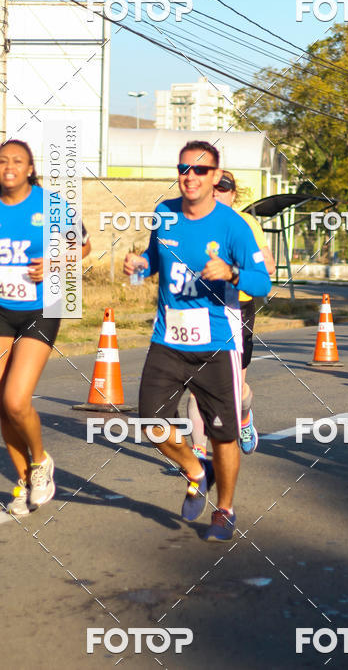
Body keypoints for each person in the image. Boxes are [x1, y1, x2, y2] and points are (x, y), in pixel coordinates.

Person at [124, 141, 271, 542]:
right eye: (184, 168)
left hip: (217, 342)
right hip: (168, 338)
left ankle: (225, 509)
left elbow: (262, 282)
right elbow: (154, 261)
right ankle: (193, 469)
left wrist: (232, 272)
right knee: (151, 421)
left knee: (223, 435)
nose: (190, 176)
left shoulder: (233, 226)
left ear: (214, 176)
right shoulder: (164, 214)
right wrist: (139, 267)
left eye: (200, 170)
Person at [0, 139, 91, 517]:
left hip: (41, 306)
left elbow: (82, 248)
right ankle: (22, 482)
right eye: (2, 161)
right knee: (3, 405)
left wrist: (54, 262)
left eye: (17, 161)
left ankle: (41, 463)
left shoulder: (52, 206)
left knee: (18, 399)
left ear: (30, 169)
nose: (9, 167)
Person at [187, 170, 276, 458]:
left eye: (223, 190)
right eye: (214, 189)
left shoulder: (246, 222)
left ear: (233, 194)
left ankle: (244, 417)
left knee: (235, 387)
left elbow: (269, 266)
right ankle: (198, 452)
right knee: (197, 382)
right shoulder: (194, 219)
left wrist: (240, 266)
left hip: (237, 307)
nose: (217, 195)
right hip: (202, 305)